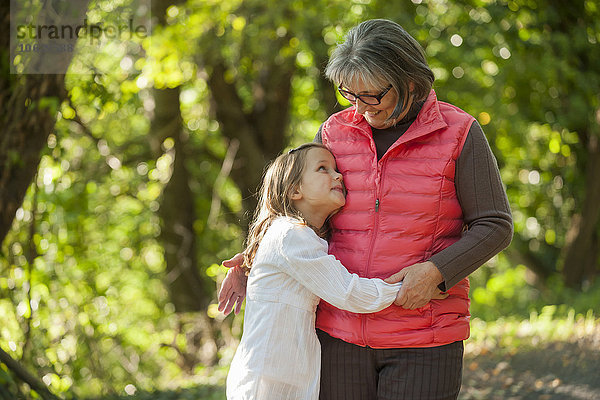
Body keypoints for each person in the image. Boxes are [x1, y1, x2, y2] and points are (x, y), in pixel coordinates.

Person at [220, 19, 513, 400]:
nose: (360, 108)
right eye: (350, 95)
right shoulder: (333, 133)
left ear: (409, 81)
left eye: (371, 95)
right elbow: (301, 211)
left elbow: (495, 225)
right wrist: (257, 259)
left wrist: (437, 273)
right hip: (337, 335)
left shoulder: (459, 132)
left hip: (423, 337)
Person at [227, 143, 434, 400]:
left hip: (287, 377)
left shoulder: (292, 235)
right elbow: (348, 292)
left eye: (336, 169)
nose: (338, 176)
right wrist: (408, 287)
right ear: (294, 190)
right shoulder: (292, 235)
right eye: (323, 169)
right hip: (269, 384)